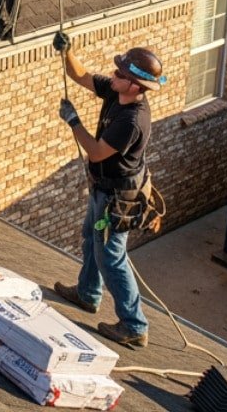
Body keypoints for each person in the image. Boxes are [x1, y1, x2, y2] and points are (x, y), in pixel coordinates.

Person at [50, 33, 166, 348]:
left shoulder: (133, 121)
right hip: (104, 188)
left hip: (118, 197)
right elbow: (81, 76)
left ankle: (134, 325)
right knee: (91, 237)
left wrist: (74, 121)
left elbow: (97, 152)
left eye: (120, 74)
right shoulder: (117, 91)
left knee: (111, 257)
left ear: (136, 87)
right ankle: (88, 293)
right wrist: (67, 52)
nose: (113, 75)